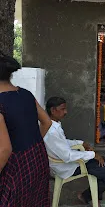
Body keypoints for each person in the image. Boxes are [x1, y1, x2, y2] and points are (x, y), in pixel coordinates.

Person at [0, 51, 52, 206]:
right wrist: (31, 146)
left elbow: (5, 150)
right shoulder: (26, 94)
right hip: (38, 158)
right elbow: (47, 122)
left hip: (13, 167)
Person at [44, 97, 105, 205]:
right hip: (66, 166)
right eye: (63, 109)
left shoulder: (54, 125)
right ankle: (85, 196)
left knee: (103, 161)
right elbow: (67, 156)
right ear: (53, 110)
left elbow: (63, 143)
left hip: (65, 161)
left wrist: (81, 142)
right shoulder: (52, 132)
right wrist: (92, 154)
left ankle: (96, 192)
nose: (66, 112)